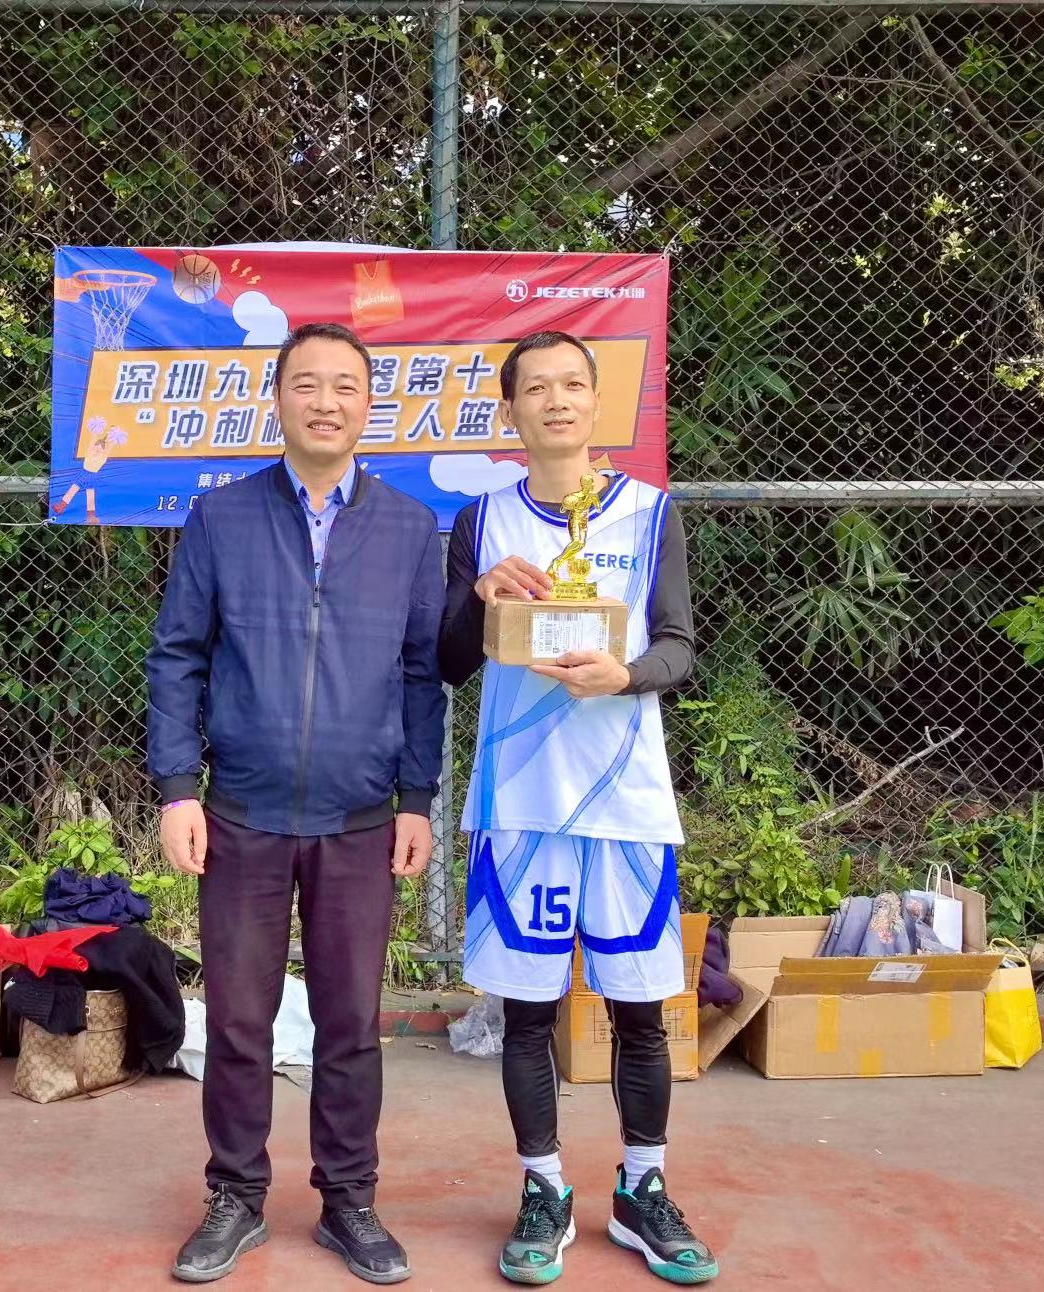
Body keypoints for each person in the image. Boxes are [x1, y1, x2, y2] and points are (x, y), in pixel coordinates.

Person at [148, 321, 446, 1285]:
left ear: (369, 406)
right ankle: (235, 1197)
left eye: (346, 386)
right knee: (239, 1021)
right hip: (241, 811)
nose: (326, 402)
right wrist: (178, 790)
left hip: (360, 819)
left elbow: (421, 674)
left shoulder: (407, 527)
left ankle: (349, 1201)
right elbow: (178, 656)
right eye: (307, 384)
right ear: (277, 400)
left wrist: (415, 798)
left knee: (350, 1024)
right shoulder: (221, 517)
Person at [438, 330, 717, 1285]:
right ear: (508, 410)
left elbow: (678, 646)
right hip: (519, 802)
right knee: (527, 1013)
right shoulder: (481, 521)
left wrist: (624, 675)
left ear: (597, 403)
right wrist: (478, 600)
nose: (555, 401)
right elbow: (446, 661)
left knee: (640, 1013)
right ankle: (543, 1190)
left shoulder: (649, 512)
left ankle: (642, 1189)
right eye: (535, 388)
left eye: (571, 385)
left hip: (626, 804)